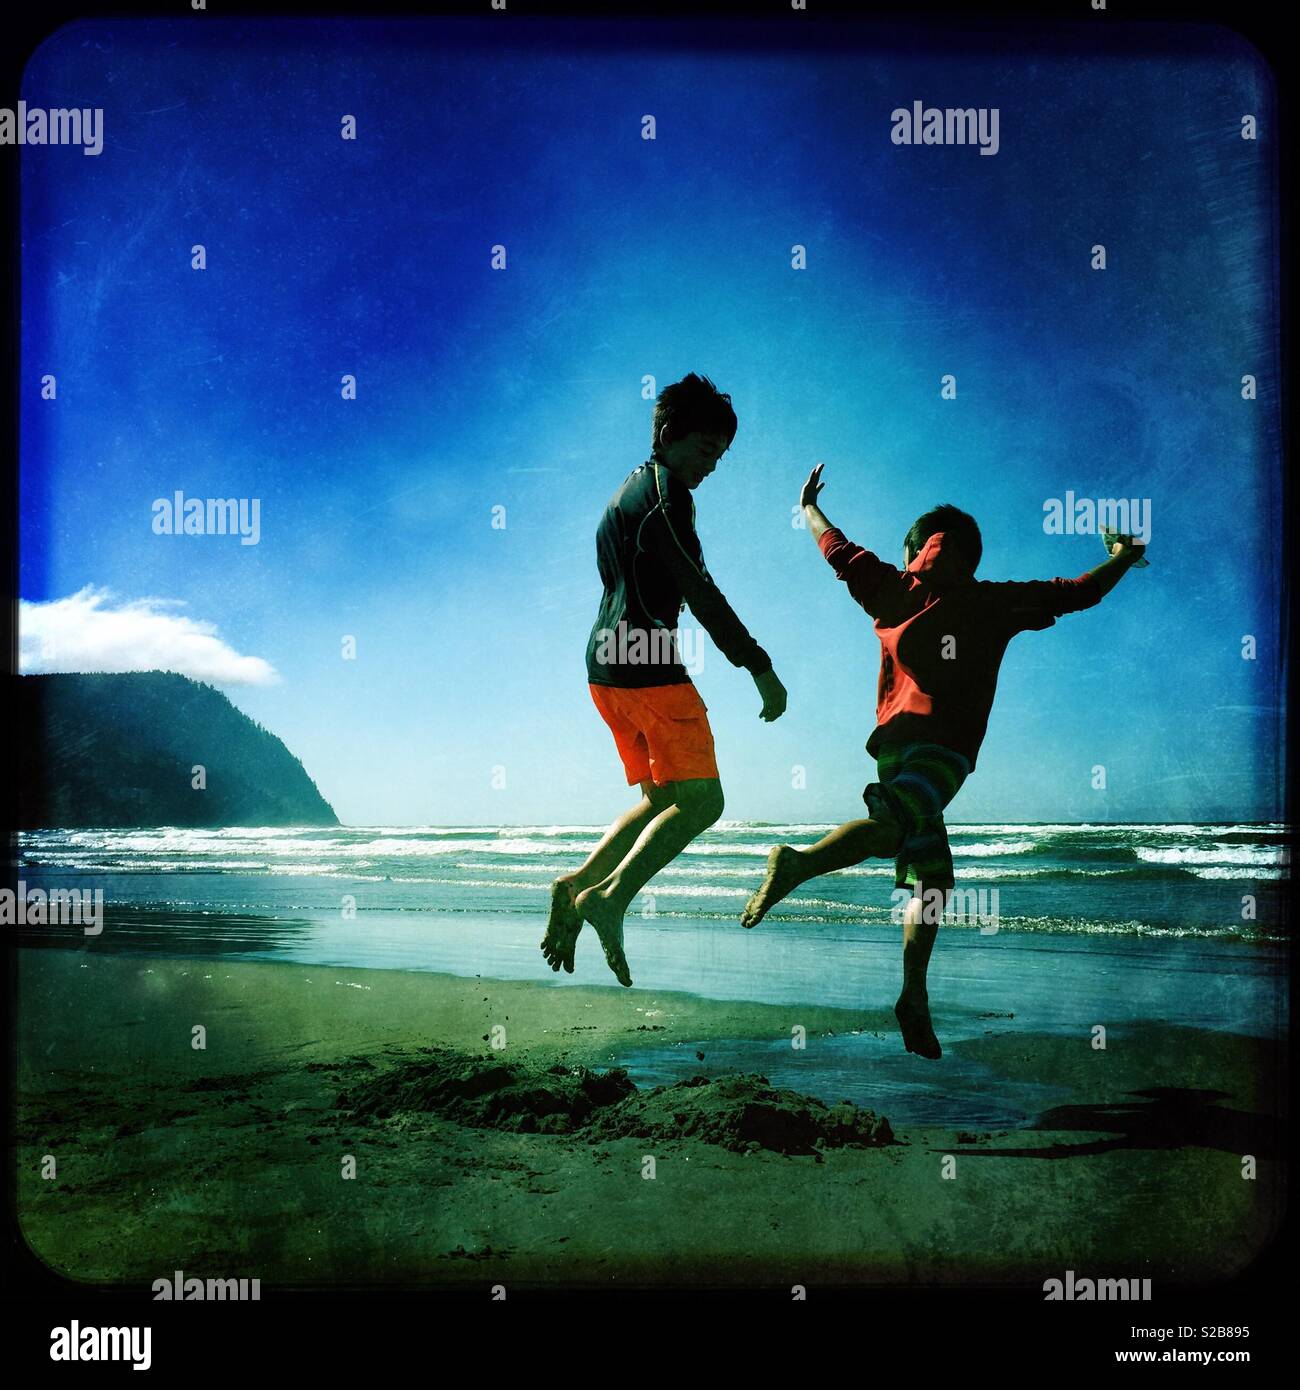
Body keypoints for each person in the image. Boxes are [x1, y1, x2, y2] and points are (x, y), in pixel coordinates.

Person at [742, 463, 1147, 1058]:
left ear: (914, 551)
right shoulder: (992, 601)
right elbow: (1081, 591)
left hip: (893, 744)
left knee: (933, 877)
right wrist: (1124, 553)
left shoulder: (890, 587)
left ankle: (913, 997)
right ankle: (798, 864)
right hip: (944, 750)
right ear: (973, 558)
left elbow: (835, 549)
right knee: (897, 823)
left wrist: (808, 507)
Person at [541, 374, 787, 985]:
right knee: (705, 800)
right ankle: (609, 898)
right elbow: (698, 591)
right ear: (670, 435)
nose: (711, 466)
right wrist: (759, 665)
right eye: (705, 450)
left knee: (661, 798)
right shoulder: (665, 497)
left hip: (604, 668)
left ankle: (576, 882)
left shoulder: (623, 493)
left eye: (720, 456)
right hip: (647, 667)